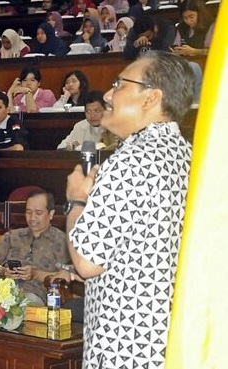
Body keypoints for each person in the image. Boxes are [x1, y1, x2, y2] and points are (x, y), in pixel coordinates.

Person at [65, 51, 194, 369]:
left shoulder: (130, 160)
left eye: (119, 84)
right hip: (169, 341)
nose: (108, 94)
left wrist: (77, 201)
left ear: (152, 97)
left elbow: (86, 262)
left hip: (124, 345)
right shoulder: (191, 156)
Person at [0, 189, 70, 305]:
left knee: (16, 309)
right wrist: (2, 270)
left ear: (51, 214)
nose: (32, 218)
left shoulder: (61, 241)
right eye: (28, 212)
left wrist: (36, 274)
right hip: (0, 291)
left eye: (38, 213)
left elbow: (67, 276)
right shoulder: (13, 235)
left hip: (32, 295)